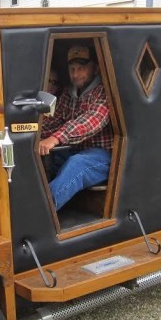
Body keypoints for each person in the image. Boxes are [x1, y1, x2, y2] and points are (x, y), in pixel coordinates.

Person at [39, 45, 114, 210]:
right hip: (74, 149)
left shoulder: (103, 92)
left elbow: (91, 120)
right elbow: (54, 121)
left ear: (95, 68)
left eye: (81, 68)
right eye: (72, 69)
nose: (75, 74)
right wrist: (31, 132)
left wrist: (56, 138)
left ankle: (42, 213)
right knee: (43, 159)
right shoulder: (69, 94)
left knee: (76, 164)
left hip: (103, 156)